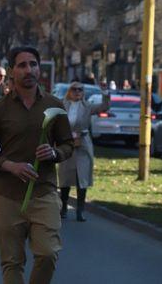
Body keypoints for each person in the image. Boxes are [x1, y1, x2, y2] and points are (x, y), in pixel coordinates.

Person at [0, 46, 74, 284]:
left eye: (33, 64)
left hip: (44, 192)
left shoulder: (54, 105)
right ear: (11, 71)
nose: (28, 69)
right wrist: (10, 166)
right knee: (12, 262)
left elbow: (68, 144)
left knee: (48, 253)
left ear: (39, 68)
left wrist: (54, 153)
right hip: (7, 196)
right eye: (22, 65)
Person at [59, 81, 109, 222]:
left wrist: (105, 93)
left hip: (83, 143)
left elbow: (104, 106)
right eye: (74, 89)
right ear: (69, 91)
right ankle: (63, 207)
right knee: (65, 176)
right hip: (67, 143)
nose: (77, 92)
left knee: (83, 176)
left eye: (80, 90)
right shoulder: (63, 105)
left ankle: (80, 210)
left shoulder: (87, 106)